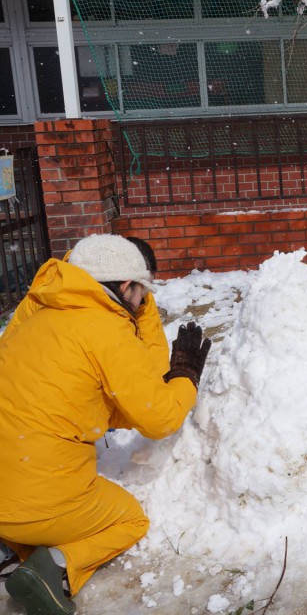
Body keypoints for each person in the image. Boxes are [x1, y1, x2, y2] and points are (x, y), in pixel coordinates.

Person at [0, 233, 212, 615]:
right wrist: (184, 376)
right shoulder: (105, 330)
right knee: (130, 519)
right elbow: (160, 420)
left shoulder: (34, 320)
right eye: (141, 294)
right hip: (40, 504)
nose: (144, 303)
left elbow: (83, 401)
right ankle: (55, 569)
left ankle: (15, 545)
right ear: (126, 285)